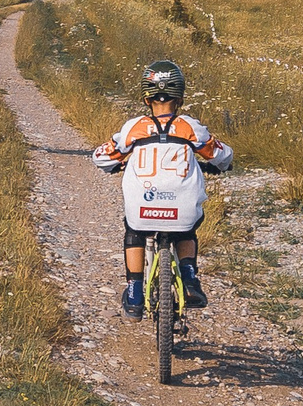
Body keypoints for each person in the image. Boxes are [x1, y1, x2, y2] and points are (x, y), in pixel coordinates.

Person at [92, 59, 232, 317]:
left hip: (143, 207)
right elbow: (221, 155)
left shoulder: (134, 127)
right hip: (181, 209)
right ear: (180, 99)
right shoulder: (190, 127)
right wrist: (221, 164)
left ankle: (134, 292)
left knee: (134, 231)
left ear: (146, 99)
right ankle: (189, 279)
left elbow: (102, 156)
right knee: (186, 230)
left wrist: (114, 164)